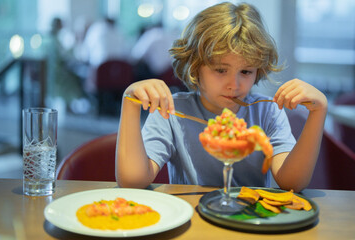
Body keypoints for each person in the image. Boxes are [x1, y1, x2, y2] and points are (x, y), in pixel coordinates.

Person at [115, 2, 328, 192]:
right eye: (220, 70)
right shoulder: (171, 111)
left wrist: (318, 114)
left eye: (246, 72)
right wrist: (130, 103)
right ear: (195, 68)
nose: (234, 85)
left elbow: (293, 183)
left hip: (250, 222)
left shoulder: (267, 112)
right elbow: (132, 182)